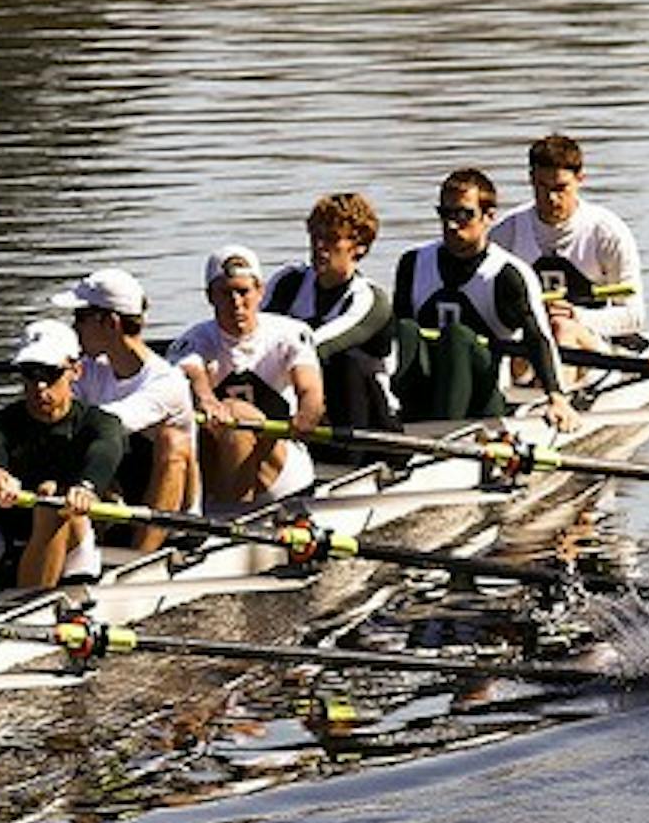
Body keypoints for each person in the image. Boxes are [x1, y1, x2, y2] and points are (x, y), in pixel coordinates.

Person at [390, 168, 579, 432]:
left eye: (464, 215)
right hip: (423, 394)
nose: (451, 225)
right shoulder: (413, 263)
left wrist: (556, 397)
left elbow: (538, 338)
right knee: (407, 331)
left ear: (489, 217)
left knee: (456, 337)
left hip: (485, 400)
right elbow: (397, 338)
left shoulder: (506, 274)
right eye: (445, 214)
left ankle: (440, 434)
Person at [0, 320, 127, 591]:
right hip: (7, 540)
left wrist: (87, 487)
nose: (39, 386)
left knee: (51, 501)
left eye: (51, 374)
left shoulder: (99, 423)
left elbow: (106, 449)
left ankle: (32, 602)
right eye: (30, 373)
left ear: (76, 371)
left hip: (74, 537)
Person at [52, 267, 198, 552]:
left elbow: (107, 424)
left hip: (171, 515)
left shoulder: (167, 382)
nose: (74, 328)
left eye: (81, 318)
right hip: (111, 497)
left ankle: (140, 558)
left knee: (172, 441)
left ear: (111, 323)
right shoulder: (90, 370)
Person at [169, 245, 326, 505]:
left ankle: (231, 514)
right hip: (219, 463)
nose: (236, 303)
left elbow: (309, 387)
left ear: (260, 291)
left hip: (279, 471)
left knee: (236, 414)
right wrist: (206, 400)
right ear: (210, 296)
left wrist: (309, 413)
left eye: (243, 292)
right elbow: (191, 370)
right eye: (225, 293)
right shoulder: (194, 340)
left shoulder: (290, 334)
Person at [489, 132, 646, 352]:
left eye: (560, 188)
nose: (552, 198)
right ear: (531, 178)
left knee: (562, 328)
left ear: (580, 179)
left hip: (590, 345)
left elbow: (634, 316)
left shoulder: (607, 233)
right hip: (529, 345)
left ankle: (556, 382)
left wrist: (577, 316)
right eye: (542, 187)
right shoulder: (506, 234)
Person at [261, 191, 398, 432]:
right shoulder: (288, 282)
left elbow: (319, 347)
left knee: (344, 364)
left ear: (360, 247)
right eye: (315, 236)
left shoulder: (370, 300)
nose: (319, 246)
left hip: (368, 419)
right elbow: (256, 335)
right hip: (299, 403)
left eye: (332, 239)